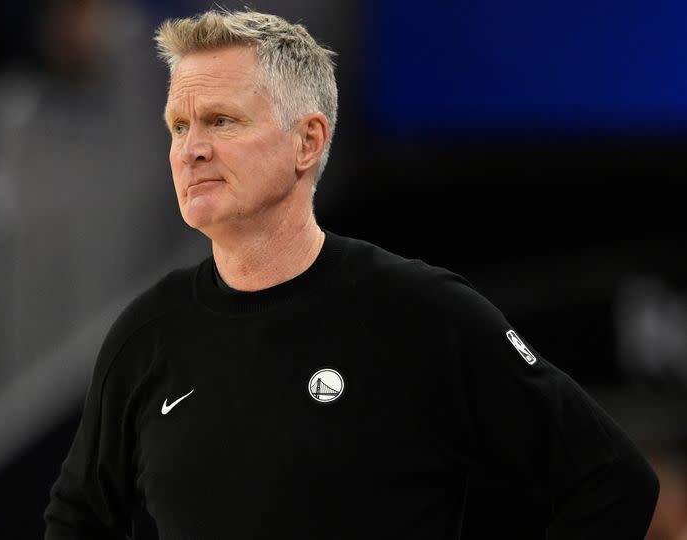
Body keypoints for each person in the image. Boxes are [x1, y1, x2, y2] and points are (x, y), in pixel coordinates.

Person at [44, 8, 659, 539]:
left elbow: (611, 480)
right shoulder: (147, 333)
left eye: (221, 121)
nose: (190, 150)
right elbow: (77, 517)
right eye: (179, 126)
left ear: (307, 142)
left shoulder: (422, 313)